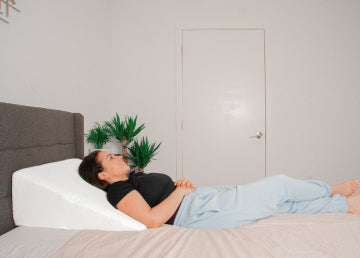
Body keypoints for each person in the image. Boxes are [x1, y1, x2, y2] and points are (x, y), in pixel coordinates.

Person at [78, 150, 360, 230]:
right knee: (280, 185)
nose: (118, 156)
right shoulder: (117, 192)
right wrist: (180, 192)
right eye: (110, 158)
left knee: (281, 202)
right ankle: (333, 190)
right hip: (196, 212)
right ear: (102, 174)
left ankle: (346, 206)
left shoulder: (130, 181)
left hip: (200, 198)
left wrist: (182, 188)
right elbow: (152, 220)